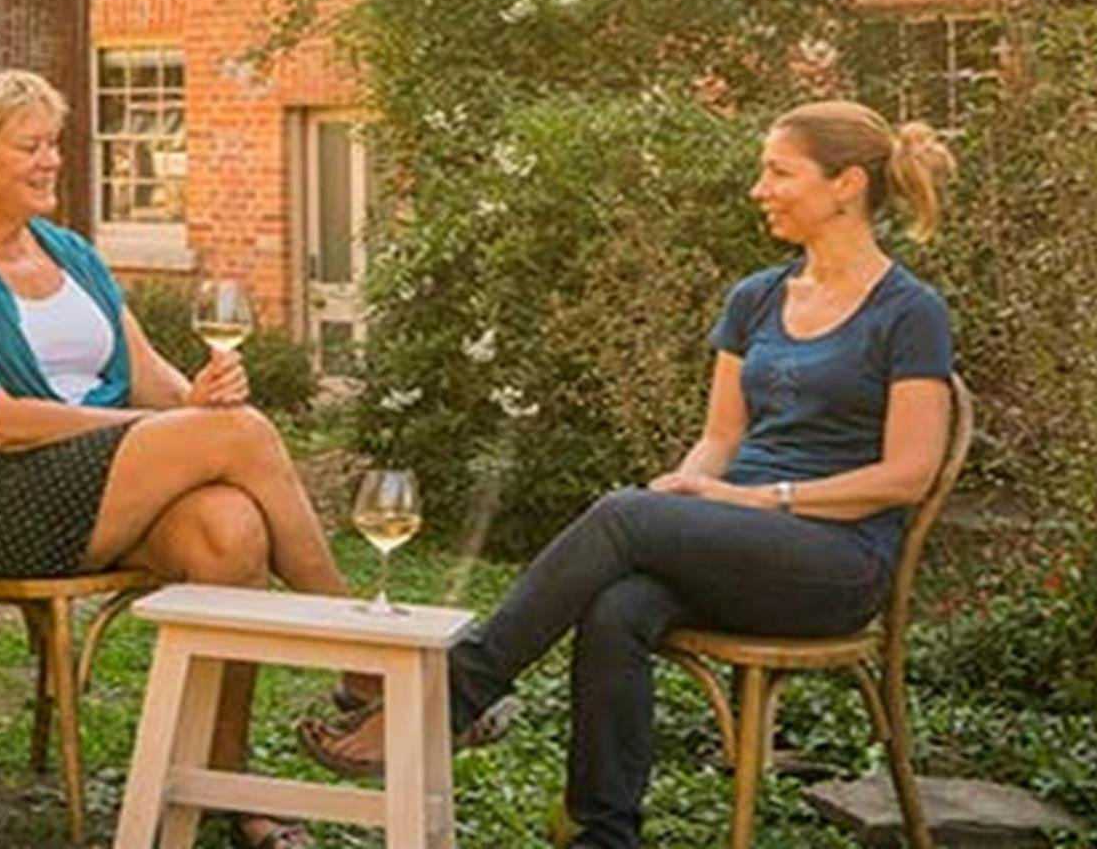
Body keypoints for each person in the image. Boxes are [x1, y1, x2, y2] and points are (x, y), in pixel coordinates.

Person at [300, 100, 957, 849]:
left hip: (836, 564)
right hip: (742, 535)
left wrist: (750, 498)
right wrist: (689, 490)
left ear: (845, 184)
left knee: (624, 513)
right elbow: (719, 439)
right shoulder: (757, 298)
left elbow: (908, 475)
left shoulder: (910, 312)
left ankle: (449, 699)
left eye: (779, 171)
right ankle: (604, 835)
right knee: (617, 605)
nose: (758, 188)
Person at [0, 60, 364, 849]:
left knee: (231, 530)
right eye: (29, 146)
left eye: (54, 143)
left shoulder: (70, 253)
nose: (52, 160)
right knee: (241, 435)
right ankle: (364, 669)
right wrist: (163, 431)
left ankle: (231, 789)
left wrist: (196, 398)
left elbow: (154, 384)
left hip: (101, 489)